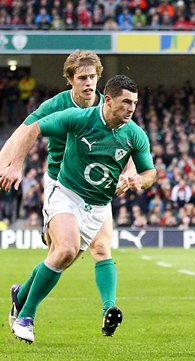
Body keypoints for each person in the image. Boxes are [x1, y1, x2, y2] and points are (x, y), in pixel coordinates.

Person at [1, 75, 157, 343]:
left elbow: (150, 171)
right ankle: (26, 316)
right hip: (65, 194)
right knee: (66, 249)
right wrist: (16, 165)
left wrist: (138, 181)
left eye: (134, 102)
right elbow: (33, 128)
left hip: (97, 207)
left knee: (62, 258)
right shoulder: (79, 118)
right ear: (108, 100)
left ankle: (22, 293)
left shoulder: (135, 134)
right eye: (126, 102)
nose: (131, 108)